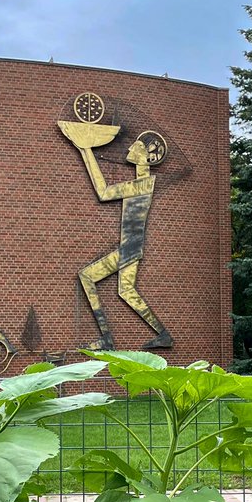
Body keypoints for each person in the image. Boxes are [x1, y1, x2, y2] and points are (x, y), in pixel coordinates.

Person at [59, 120, 172, 350]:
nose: (129, 149)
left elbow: (103, 192)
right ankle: (163, 334)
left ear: (147, 156)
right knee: (126, 291)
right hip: (132, 245)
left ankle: (106, 338)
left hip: (129, 247)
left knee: (87, 277)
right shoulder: (142, 183)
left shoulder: (143, 185)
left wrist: (86, 151)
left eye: (136, 147)